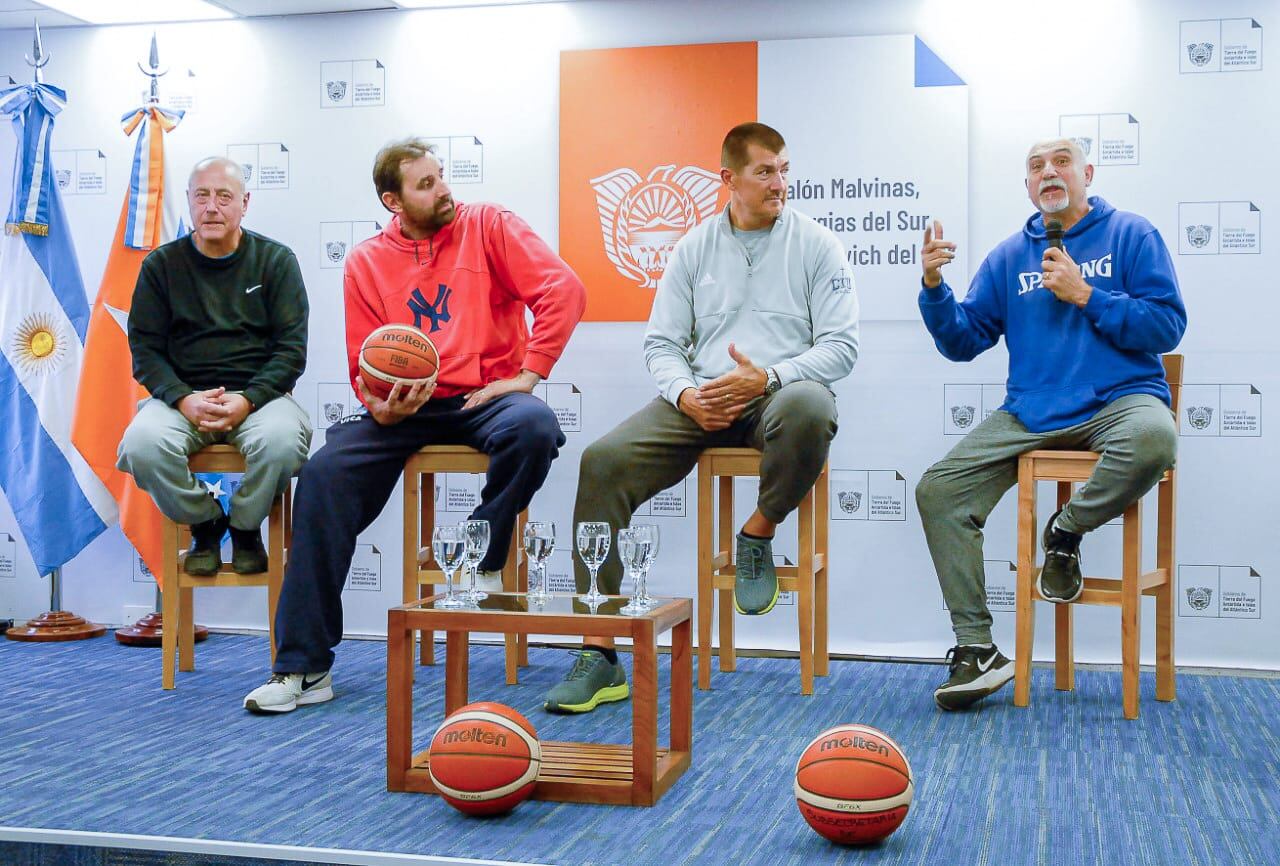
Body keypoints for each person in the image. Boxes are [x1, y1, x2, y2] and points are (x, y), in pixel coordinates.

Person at [243, 137, 586, 713]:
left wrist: (528, 375)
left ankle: (482, 555)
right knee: (324, 475)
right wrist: (381, 407)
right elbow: (364, 366)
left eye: (442, 176)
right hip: (407, 408)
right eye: (425, 184)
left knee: (534, 427)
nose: (444, 189)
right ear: (392, 201)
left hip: (484, 397)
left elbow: (563, 290)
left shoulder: (491, 225)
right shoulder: (364, 262)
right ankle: (303, 668)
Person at [545, 122, 860, 714]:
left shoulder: (818, 245)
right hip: (702, 398)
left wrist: (766, 376)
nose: (780, 182)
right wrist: (688, 395)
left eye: (785, 169)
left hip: (777, 394)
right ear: (729, 179)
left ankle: (758, 531)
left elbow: (841, 347)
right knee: (603, 461)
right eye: (765, 171)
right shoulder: (693, 247)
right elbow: (662, 344)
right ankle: (599, 651)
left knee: (812, 406)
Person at [914, 137, 1186, 711]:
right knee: (939, 491)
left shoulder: (1133, 234)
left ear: (1087, 172)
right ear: (1028, 186)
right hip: (1032, 412)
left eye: (1061, 162)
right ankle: (977, 650)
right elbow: (964, 342)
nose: (1049, 172)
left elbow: (1167, 327)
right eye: (1036, 166)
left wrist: (1088, 294)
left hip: (1119, 399)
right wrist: (935, 291)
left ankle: (1065, 531)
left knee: (1156, 436)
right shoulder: (1009, 256)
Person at [118, 156, 311, 577]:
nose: (212, 207)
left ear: (245, 203)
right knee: (141, 446)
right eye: (201, 195)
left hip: (260, 399)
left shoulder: (276, 261)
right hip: (183, 400)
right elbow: (145, 350)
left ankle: (244, 527)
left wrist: (248, 399)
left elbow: (291, 351)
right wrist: (183, 399)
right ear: (188, 202)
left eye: (224, 197)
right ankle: (205, 523)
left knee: (279, 443)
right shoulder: (161, 266)